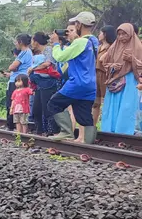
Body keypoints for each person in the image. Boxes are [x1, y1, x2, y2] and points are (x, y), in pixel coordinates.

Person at [48, 12, 99, 143]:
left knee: (54, 103)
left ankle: (66, 132)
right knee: (84, 115)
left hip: (77, 83)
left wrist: (55, 44)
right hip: (90, 84)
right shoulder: (94, 40)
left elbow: (60, 57)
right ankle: (88, 144)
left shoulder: (81, 42)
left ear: (79, 24)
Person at [101, 23, 142, 135]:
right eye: (119, 34)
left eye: (124, 34)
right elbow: (104, 62)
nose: (121, 37)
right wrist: (112, 66)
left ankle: (124, 131)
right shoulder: (114, 46)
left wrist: (132, 59)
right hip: (114, 80)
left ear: (130, 33)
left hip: (129, 80)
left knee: (126, 106)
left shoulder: (138, 47)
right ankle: (109, 130)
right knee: (111, 106)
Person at [28, 32, 59, 135]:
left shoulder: (48, 49)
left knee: (47, 108)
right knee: (36, 109)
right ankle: (40, 130)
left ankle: (52, 131)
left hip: (48, 82)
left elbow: (48, 63)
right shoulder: (38, 53)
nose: (31, 43)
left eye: (32, 41)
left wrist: (33, 69)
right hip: (39, 83)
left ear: (36, 42)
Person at [5, 34, 34, 130]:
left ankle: (11, 125)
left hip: (17, 80)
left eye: (16, 42)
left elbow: (11, 67)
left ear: (20, 42)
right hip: (20, 79)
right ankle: (17, 127)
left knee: (12, 103)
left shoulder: (24, 52)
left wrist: (12, 68)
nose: (16, 44)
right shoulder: (27, 52)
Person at [94, 25, 117, 125]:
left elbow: (102, 59)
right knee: (95, 102)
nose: (99, 35)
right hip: (96, 74)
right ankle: (93, 125)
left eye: (101, 33)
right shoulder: (99, 47)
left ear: (105, 34)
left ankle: (106, 124)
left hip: (105, 74)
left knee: (106, 100)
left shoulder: (112, 47)